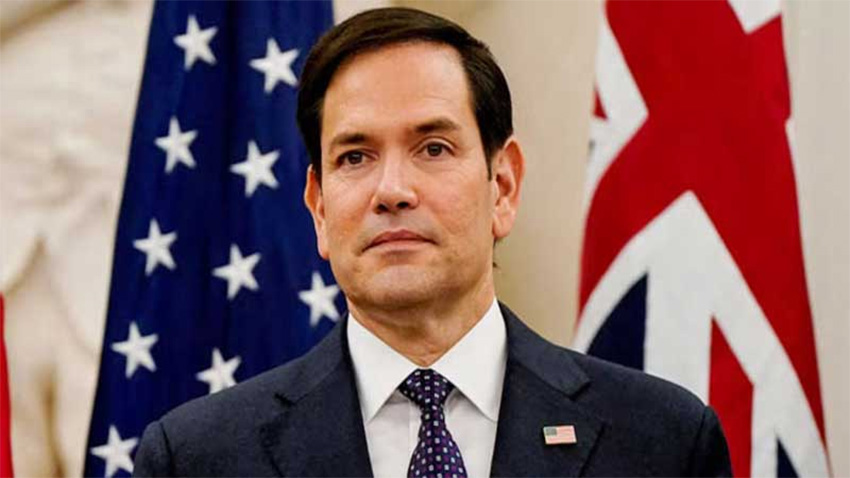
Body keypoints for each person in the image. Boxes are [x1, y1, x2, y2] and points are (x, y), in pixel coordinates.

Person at [134, 7, 731, 477]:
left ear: (502, 186)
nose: (392, 190)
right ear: (318, 208)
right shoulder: (195, 458)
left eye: (433, 148)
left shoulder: (664, 441)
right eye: (355, 157)